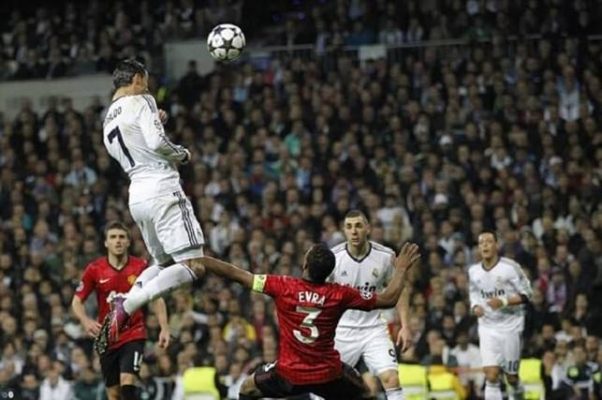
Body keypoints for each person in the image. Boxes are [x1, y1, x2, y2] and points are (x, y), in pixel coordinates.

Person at [200, 242, 421, 400]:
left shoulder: (283, 286)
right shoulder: (340, 294)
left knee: (246, 389)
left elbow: (239, 276)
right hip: (328, 375)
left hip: (289, 374)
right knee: (365, 394)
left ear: (305, 264)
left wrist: (202, 260)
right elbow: (389, 298)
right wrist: (401, 269)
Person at [100, 59, 206, 343]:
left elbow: (135, 142)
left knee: (161, 263)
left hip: (137, 194)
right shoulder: (143, 100)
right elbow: (157, 144)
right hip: (161, 186)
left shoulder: (108, 120)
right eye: (145, 82)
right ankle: (130, 304)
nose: (148, 89)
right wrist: (182, 154)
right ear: (136, 79)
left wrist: (153, 121)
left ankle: (126, 299)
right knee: (194, 265)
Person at [72, 221, 171, 400]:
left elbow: (157, 298)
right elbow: (77, 301)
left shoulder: (141, 267)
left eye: (121, 237)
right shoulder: (95, 269)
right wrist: (85, 321)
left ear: (128, 242)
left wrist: (164, 327)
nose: (117, 241)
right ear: (106, 242)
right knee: (113, 394)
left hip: (134, 333)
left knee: (127, 380)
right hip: (107, 337)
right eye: (113, 237)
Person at [328, 210, 411, 400]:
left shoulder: (385, 256)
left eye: (358, 226)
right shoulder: (333, 258)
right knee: (327, 383)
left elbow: (401, 290)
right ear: (344, 230)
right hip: (341, 331)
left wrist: (405, 326)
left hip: (374, 329)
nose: (354, 231)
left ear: (368, 228)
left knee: (391, 379)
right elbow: (319, 293)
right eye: (349, 227)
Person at [468, 230, 533, 400]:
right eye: (481, 243)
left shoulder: (510, 268)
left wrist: (503, 301)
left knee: (511, 377)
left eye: (489, 242)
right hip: (487, 327)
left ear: (497, 245)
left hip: (511, 326)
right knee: (491, 375)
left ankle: (518, 393)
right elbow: (474, 293)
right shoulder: (473, 271)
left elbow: (527, 294)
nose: (485, 245)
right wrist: (475, 307)